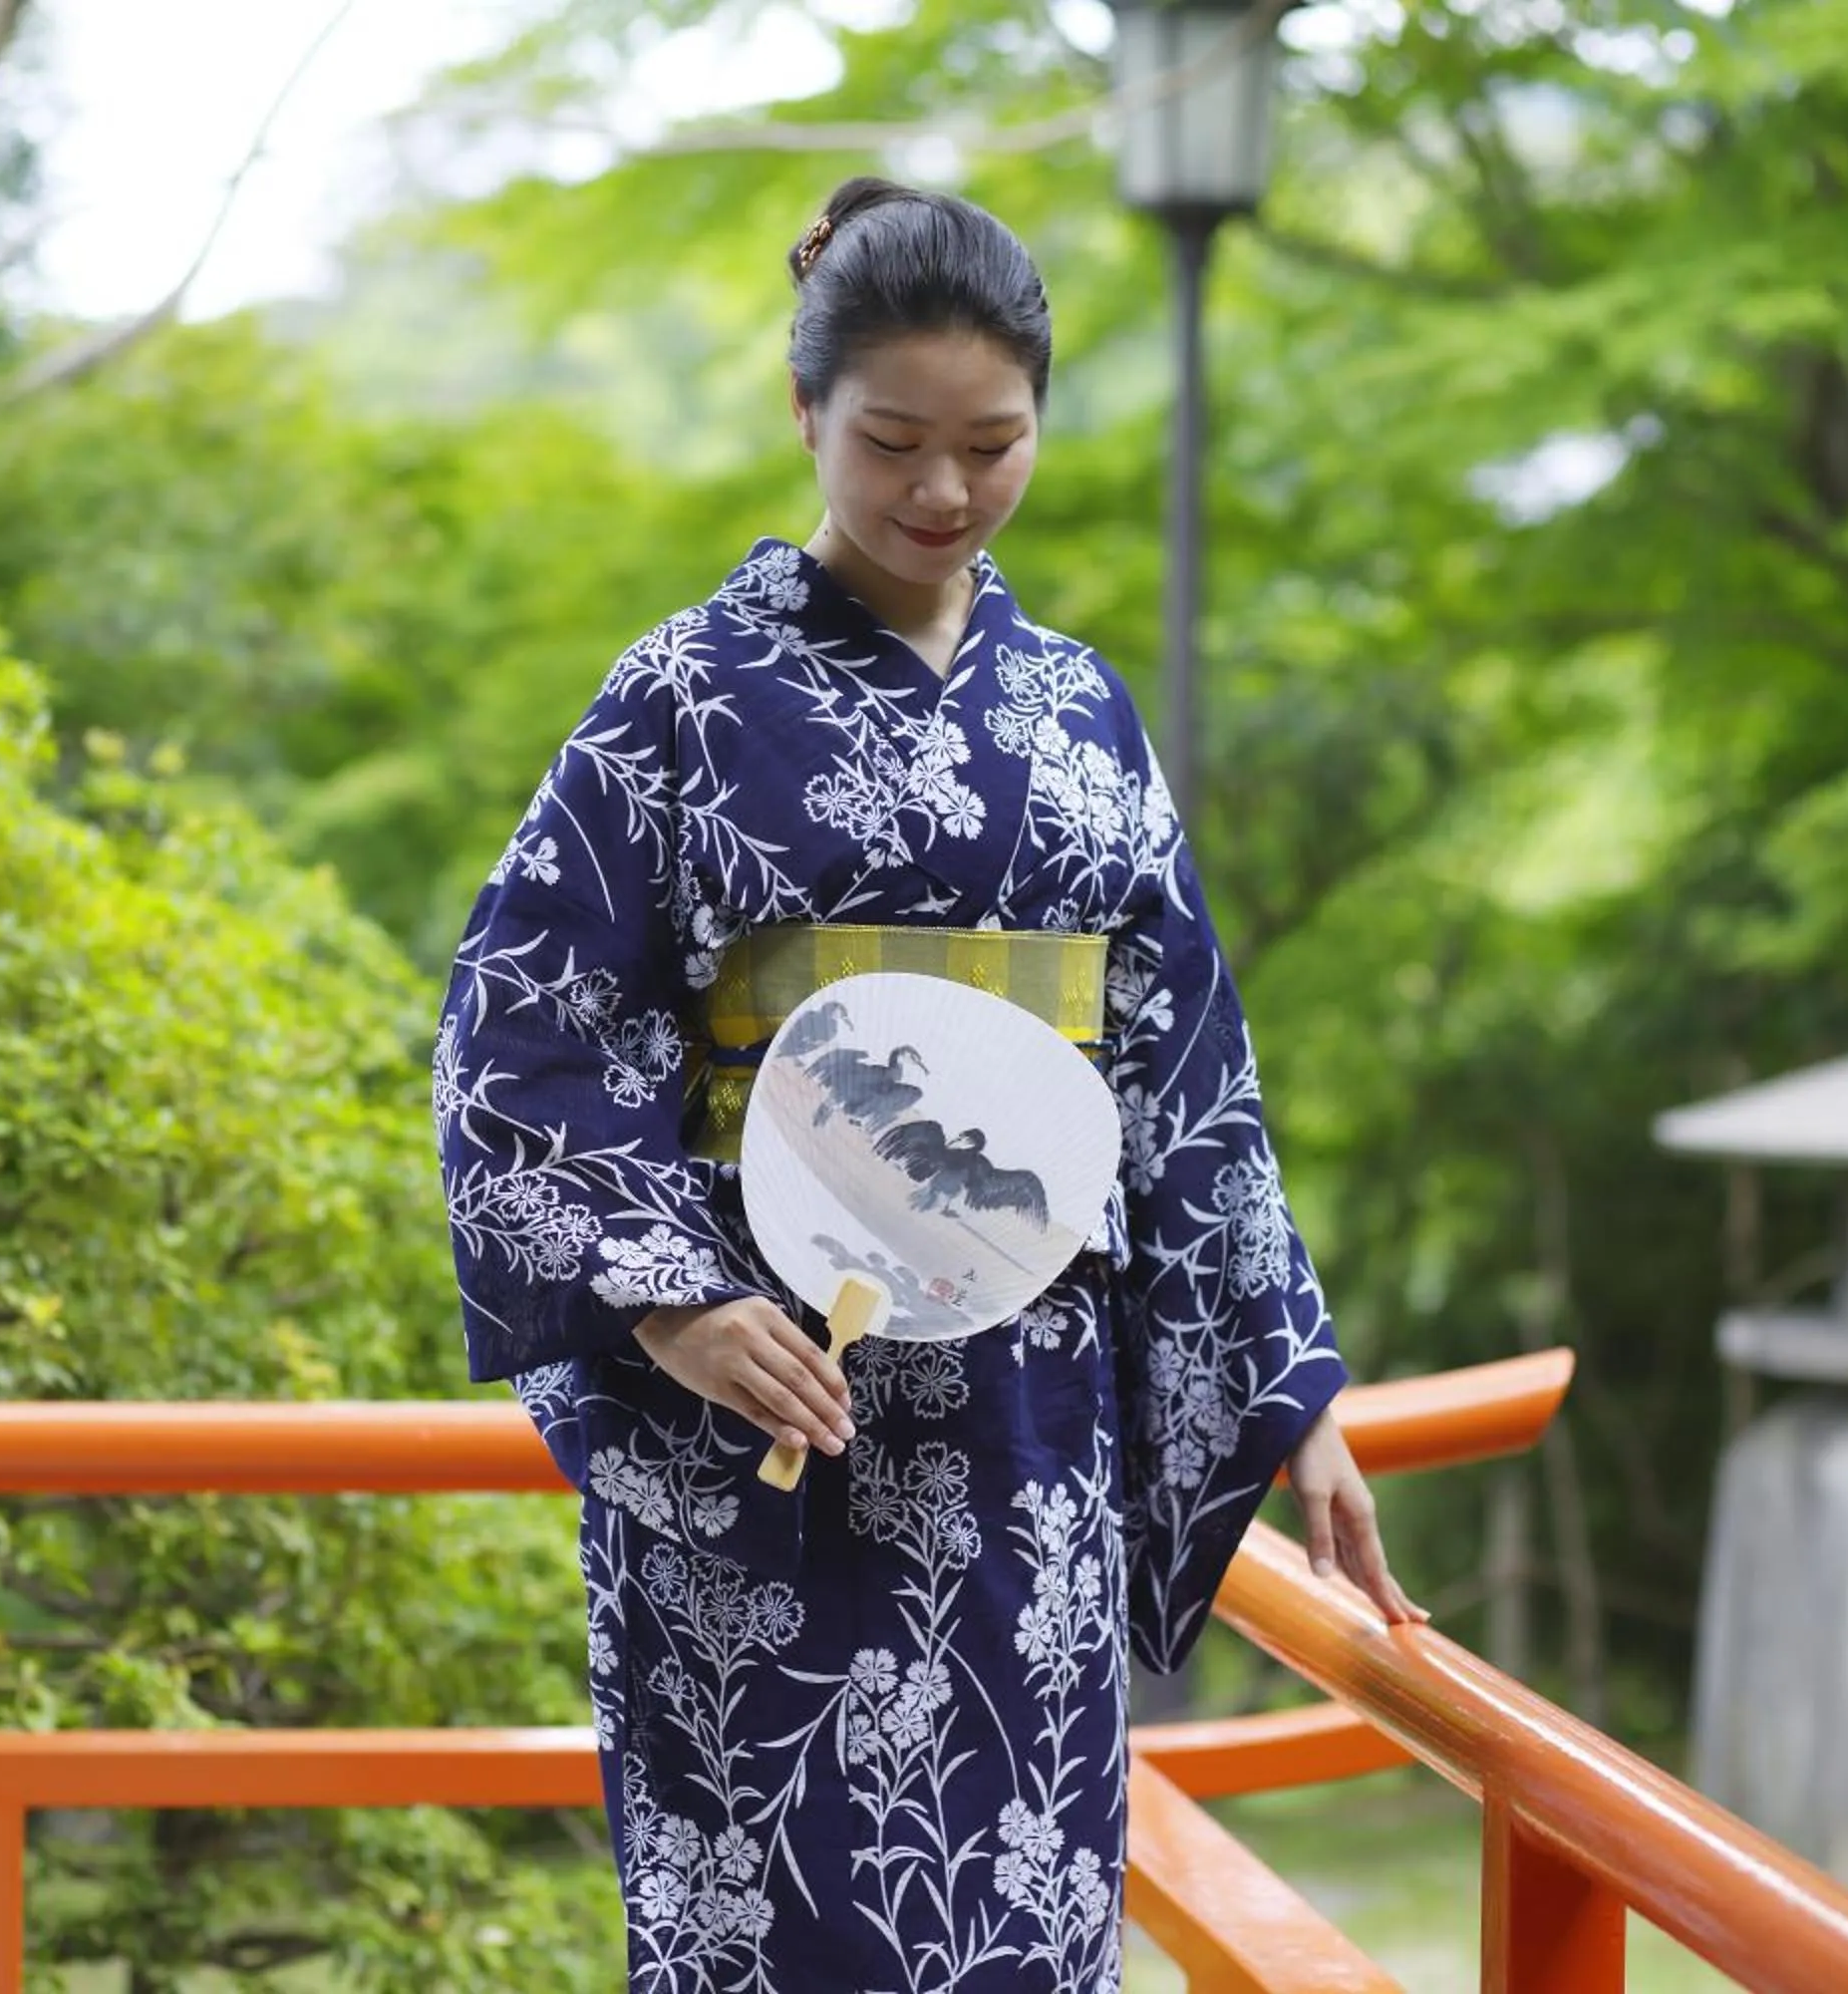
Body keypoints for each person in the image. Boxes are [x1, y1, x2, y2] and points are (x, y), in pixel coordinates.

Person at [433, 175, 1424, 1994]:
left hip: (1023, 1437)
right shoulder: (680, 700)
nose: (944, 490)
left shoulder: (1082, 714)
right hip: (758, 1436)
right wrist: (672, 1307)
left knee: (1018, 1925)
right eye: (894, 441)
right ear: (804, 410)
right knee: (772, 1932)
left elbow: (1182, 1073)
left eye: (993, 443)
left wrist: (1288, 1391)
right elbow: (523, 1029)